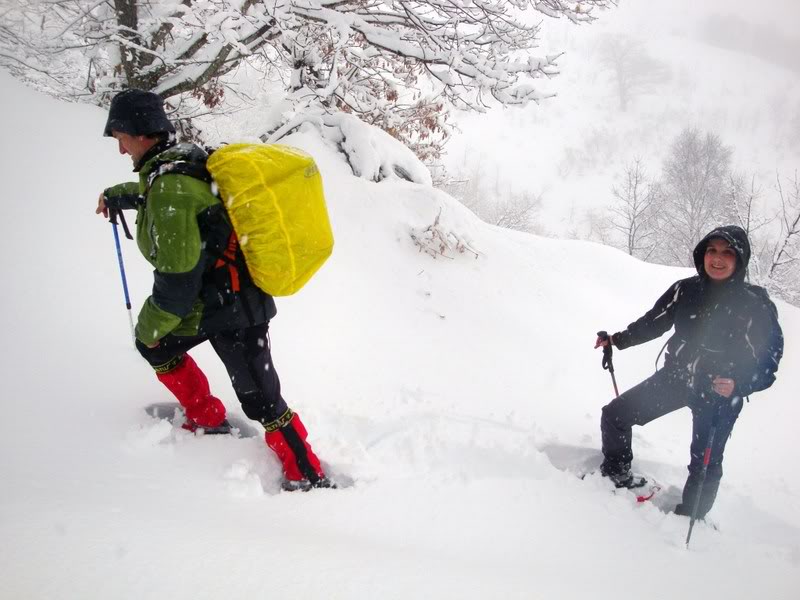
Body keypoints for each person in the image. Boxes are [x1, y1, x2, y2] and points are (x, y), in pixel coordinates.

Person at [97, 89, 332, 491]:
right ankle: (206, 417)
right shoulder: (182, 162)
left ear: (141, 133)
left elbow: (177, 283)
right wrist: (120, 195)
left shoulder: (170, 184)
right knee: (158, 345)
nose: (120, 149)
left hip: (235, 307)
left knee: (262, 401)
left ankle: (308, 475)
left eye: (120, 136)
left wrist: (147, 324)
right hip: (213, 303)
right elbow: (169, 195)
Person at [594, 225, 783, 519]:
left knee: (704, 462)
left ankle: (690, 518)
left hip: (718, 393)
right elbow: (653, 322)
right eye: (712, 250)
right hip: (677, 377)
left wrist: (738, 384)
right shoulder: (686, 290)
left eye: (727, 253)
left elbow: (769, 361)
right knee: (615, 415)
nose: (717, 259)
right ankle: (616, 473)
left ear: (739, 259)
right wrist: (617, 340)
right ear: (702, 254)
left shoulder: (754, 304)